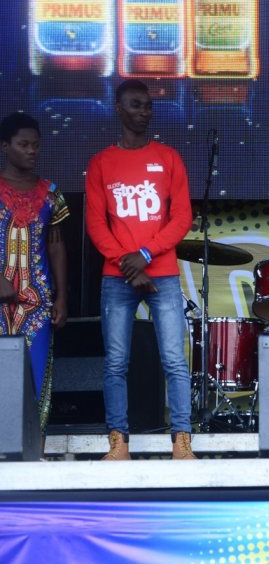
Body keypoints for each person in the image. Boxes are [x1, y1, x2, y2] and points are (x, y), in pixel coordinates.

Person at [85, 79, 196, 460]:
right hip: (118, 277)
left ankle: (182, 441)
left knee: (174, 360)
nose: (144, 112)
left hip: (162, 273)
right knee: (116, 362)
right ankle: (119, 443)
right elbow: (96, 224)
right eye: (136, 105)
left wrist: (146, 254)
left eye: (148, 106)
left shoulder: (168, 158)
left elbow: (182, 217)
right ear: (118, 108)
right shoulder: (101, 163)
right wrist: (129, 265)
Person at [0, 112, 68, 447]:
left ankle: (34, 453)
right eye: (23, 144)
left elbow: (55, 246)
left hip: (36, 305)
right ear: (5, 146)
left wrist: (62, 297)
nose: (31, 151)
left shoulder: (51, 194)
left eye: (36, 146)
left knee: (37, 378)